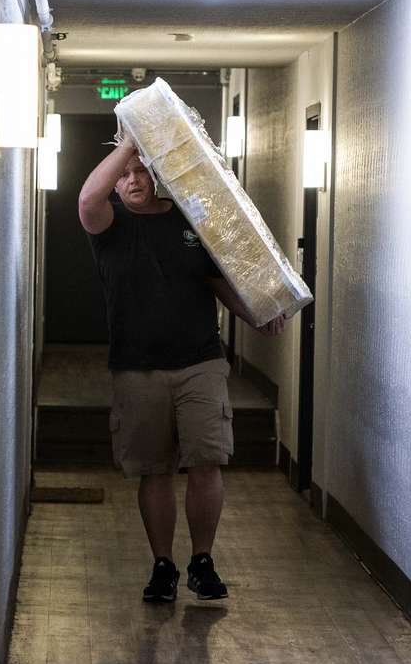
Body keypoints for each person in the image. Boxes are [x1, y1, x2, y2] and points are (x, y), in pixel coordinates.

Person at [78, 132, 285, 602]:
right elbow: (89, 196)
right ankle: (163, 565)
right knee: (155, 470)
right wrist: (131, 143)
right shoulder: (108, 227)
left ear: (157, 176)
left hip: (200, 361)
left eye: (141, 172)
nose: (132, 180)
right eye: (125, 174)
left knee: (206, 461)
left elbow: (220, 284)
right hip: (137, 368)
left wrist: (260, 314)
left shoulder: (191, 222)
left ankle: (202, 562)